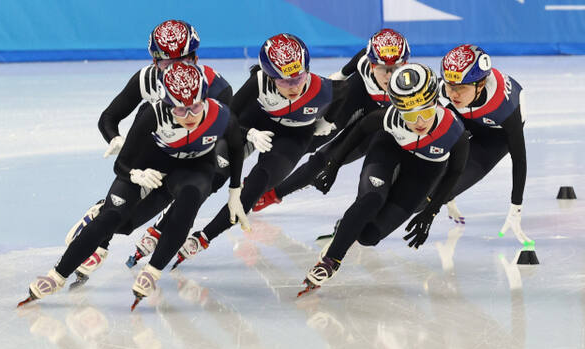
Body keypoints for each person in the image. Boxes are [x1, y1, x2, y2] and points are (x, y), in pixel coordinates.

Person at [17, 62, 248, 308]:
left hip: (192, 170)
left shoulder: (221, 114)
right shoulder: (152, 115)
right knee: (115, 221)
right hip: (148, 166)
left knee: (191, 197)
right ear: (168, 104)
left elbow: (235, 149)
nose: (189, 116)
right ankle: (56, 276)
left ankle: (153, 271)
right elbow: (122, 163)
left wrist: (235, 191)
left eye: (195, 107)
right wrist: (136, 174)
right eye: (180, 110)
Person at [64, 20, 235, 286]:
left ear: (196, 57)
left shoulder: (217, 89)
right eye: (166, 62)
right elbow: (108, 117)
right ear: (155, 62)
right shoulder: (147, 78)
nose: (175, 68)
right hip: (151, 151)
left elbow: (225, 142)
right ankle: (101, 235)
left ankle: (124, 219)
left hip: (191, 157)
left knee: (212, 176)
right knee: (121, 213)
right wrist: (118, 140)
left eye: (182, 61)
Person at [169, 33, 348, 269]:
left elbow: (347, 90)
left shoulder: (323, 88)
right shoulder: (259, 83)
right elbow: (226, 116)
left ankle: (203, 237)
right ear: (270, 76)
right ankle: (167, 222)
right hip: (254, 122)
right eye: (284, 81)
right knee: (214, 174)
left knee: (256, 185)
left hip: (293, 138)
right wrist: (249, 133)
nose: (293, 86)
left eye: (298, 78)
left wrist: (329, 119)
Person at [298, 63, 470, 295]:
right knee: (370, 200)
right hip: (389, 149)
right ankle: (329, 261)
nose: (419, 122)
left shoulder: (454, 131)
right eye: (409, 114)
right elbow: (360, 129)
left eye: (426, 112)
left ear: (435, 104)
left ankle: (346, 227)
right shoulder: (390, 118)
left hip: (424, 170)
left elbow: (454, 173)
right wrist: (333, 165)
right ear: (399, 110)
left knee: (369, 237)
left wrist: (429, 212)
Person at [252, 28, 410, 212]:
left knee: (325, 160)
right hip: (356, 96)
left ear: (405, 64)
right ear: (371, 64)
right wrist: (341, 74)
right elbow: (360, 56)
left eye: (396, 68)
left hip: (377, 121)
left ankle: (273, 195)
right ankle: (262, 179)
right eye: (383, 69)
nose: (390, 76)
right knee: (310, 141)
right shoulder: (364, 65)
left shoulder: (411, 88)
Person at [438, 44, 530, 245]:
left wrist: (516, 208)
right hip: (468, 120)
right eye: (449, 86)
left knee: (435, 194)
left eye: (461, 88)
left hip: (495, 138)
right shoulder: (448, 89)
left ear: (480, 84)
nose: (453, 94)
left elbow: (520, 160)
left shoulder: (505, 107)